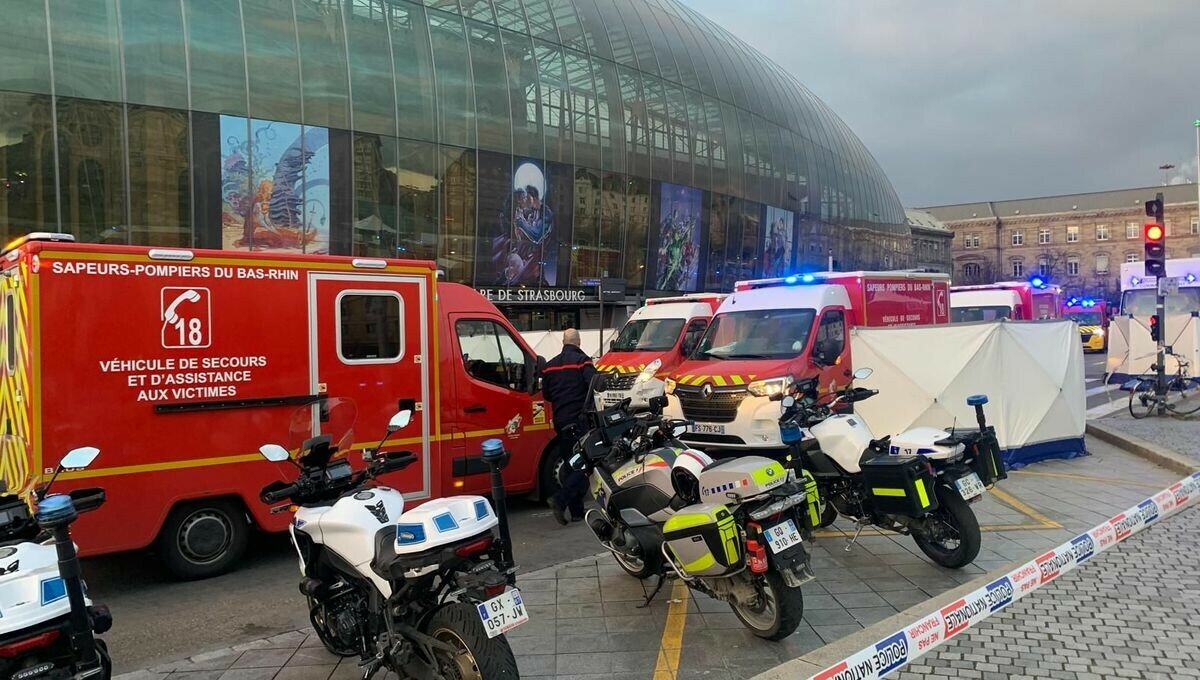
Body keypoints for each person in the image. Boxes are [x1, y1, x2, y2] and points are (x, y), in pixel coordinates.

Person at [541, 328, 596, 525]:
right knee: (584, 465)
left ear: (563, 342)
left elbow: (546, 394)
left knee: (571, 464)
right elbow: (594, 385)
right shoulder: (583, 362)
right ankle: (560, 499)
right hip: (579, 421)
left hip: (560, 421)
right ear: (578, 342)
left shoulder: (549, 366)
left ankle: (577, 513)